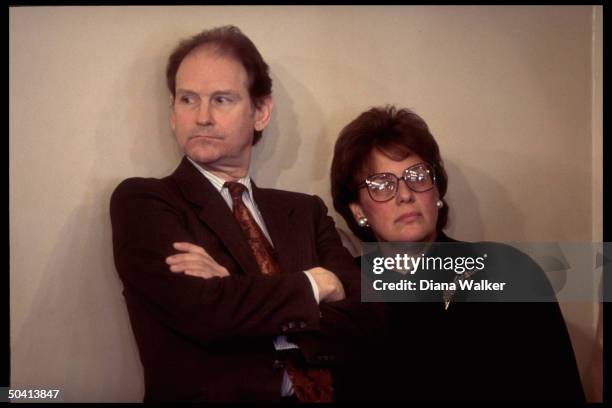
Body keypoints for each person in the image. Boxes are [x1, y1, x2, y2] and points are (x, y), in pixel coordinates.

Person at [110, 25, 373, 403]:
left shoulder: (305, 211)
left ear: (261, 111)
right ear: (172, 112)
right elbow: (203, 311)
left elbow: (365, 316)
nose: (201, 117)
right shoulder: (144, 201)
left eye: (221, 100)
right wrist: (315, 284)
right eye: (187, 99)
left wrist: (234, 288)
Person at [329, 105, 586, 401]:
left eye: (418, 176)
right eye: (382, 184)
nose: (405, 194)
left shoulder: (509, 273)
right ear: (358, 209)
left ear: (436, 191)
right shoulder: (345, 291)